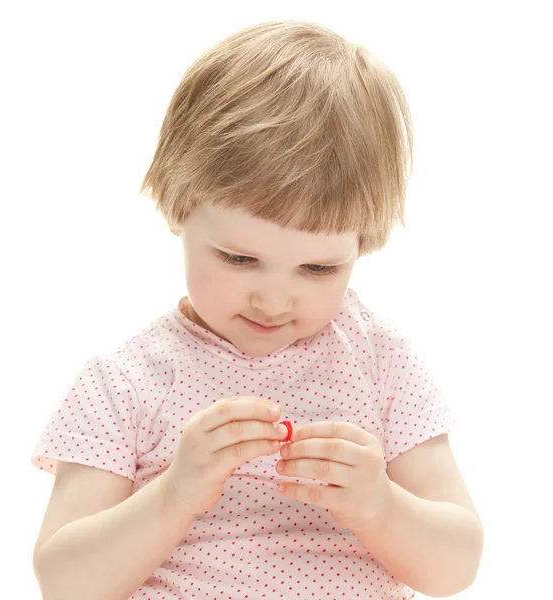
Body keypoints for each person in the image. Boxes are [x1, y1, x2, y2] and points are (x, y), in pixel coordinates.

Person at [30, 20, 484, 600]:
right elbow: (64, 583)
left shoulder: (377, 359)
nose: (274, 301)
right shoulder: (126, 381)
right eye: (240, 258)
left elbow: (456, 569)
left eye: (319, 269)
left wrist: (381, 506)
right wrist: (175, 494)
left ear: (361, 244)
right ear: (178, 208)